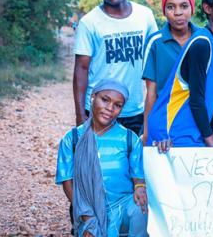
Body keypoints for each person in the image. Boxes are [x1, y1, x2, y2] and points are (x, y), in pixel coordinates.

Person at [147, 0, 213, 150]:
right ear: (208, 8)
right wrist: (210, 141)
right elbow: (197, 100)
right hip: (172, 132)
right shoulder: (202, 44)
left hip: (189, 132)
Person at [73, 0, 158, 135]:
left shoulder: (145, 16)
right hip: (99, 109)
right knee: (99, 160)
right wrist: (80, 114)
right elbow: (81, 69)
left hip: (134, 109)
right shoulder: (89, 23)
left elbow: (155, 58)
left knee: (131, 159)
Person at [56, 79, 147, 236]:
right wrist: (87, 217)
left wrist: (140, 188)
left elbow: (138, 177)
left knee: (141, 208)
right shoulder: (72, 139)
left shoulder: (129, 139)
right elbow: (67, 183)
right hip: (89, 209)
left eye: (117, 105)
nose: (110, 108)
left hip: (122, 207)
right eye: (105, 100)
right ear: (92, 97)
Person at [141, 0, 198, 144]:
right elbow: (151, 93)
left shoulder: (203, 39)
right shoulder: (155, 43)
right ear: (164, 11)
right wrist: (147, 133)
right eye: (171, 7)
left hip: (196, 121)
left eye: (184, 6)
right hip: (165, 121)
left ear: (192, 9)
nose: (178, 12)